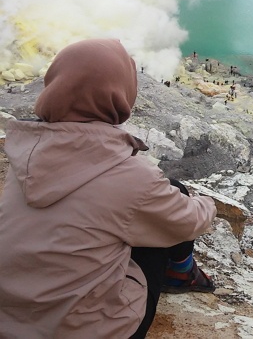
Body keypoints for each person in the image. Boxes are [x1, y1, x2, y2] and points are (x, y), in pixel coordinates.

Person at [0, 39, 217, 339]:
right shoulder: (130, 176)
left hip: (10, 321)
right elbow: (189, 222)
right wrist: (208, 203)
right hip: (85, 330)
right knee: (166, 207)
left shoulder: (23, 154)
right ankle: (181, 274)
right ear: (120, 93)